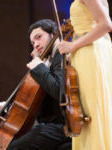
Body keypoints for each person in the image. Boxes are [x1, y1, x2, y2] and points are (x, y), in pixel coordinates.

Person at [0, 19, 72, 150]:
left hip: (62, 125)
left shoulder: (61, 55)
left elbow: (60, 93)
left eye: (39, 37)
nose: (36, 44)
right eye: (33, 43)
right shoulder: (47, 60)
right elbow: (31, 99)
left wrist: (39, 68)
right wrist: (8, 105)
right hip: (48, 125)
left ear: (53, 33)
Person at [58, 0, 112, 150]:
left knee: (91, 112)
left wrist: (73, 46)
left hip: (90, 53)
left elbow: (106, 25)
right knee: (89, 111)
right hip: (90, 51)